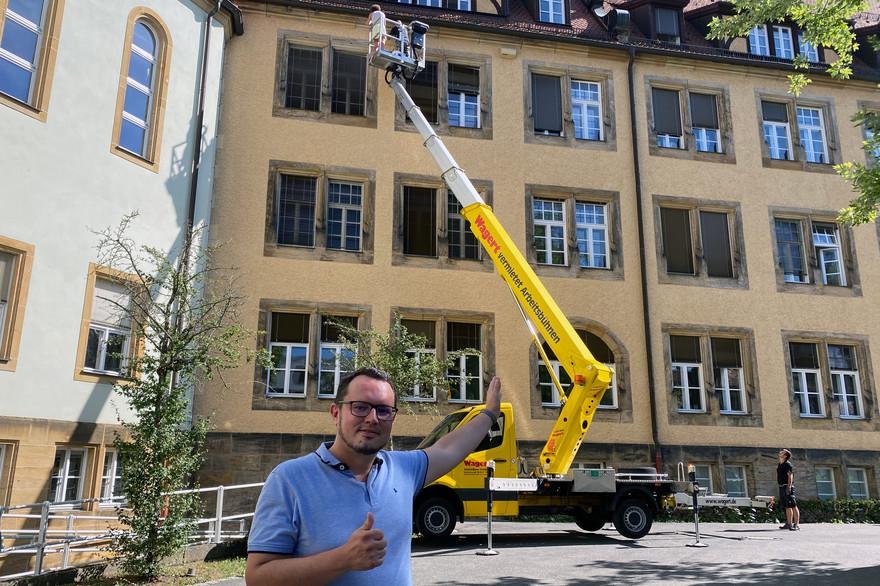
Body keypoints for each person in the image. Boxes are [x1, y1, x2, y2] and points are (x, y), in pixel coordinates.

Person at [245, 366, 502, 585]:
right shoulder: (289, 480)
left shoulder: (404, 469)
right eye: (360, 407)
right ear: (336, 413)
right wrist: (343, 559)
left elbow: (449, 447)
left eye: (383, 410)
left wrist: (489, 413)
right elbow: (257, 576)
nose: (372, 418)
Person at [777, 449, 800, 531]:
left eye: (782, 452)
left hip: (787, 486)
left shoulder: (787, 464)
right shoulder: (780, 464)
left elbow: (790, 476)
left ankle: (796, 524)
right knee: (787, 506)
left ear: (785, 456)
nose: (780, 452)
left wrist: (789, 487)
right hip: (781, 486)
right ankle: (789, 523)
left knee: (793, 505)